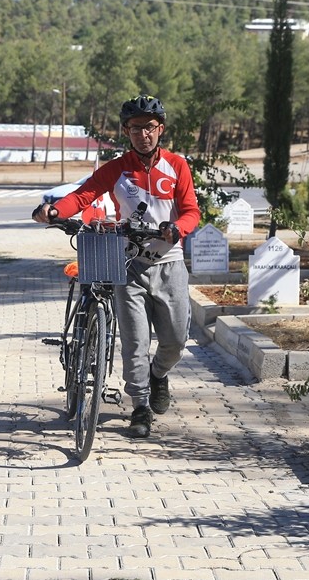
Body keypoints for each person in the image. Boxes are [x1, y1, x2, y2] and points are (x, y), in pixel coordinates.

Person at [32, 95, 201, 438]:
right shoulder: (117, 168)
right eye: (136, 128)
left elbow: (191, 211)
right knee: (135, 341)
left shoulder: (177, 166)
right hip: (129, 265)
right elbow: (82, 196)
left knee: (176, 341)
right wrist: (54, 211)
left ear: (160, 129)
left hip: (169, 264)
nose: (143, 134)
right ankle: (140, 407)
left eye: (149, 127)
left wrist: (177, 228)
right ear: (126, 131)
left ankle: (158, 375)